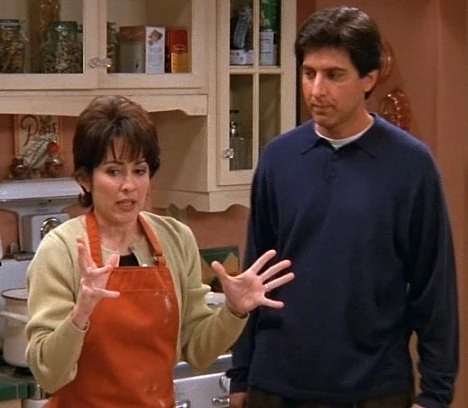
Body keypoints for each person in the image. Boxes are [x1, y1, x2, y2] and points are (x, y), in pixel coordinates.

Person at [228, 6, 458, 408]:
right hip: (276, 384)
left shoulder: (410, 165)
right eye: (309, 73)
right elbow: (256, 273)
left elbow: (434, 288)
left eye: (334, 75)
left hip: (373, 388)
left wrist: (435, 395)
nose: (317, 90)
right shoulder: (279, 158)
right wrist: (241, 377)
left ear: (369, 78)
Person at [25, 95, 295, 408]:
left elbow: (198, 351)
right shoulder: (61, 250)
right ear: (85, 180)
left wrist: (234, 311)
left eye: (139, 171)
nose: (129, 185)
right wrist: (80, 314)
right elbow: (49, 374)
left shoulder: (175, 239)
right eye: (113, 171)